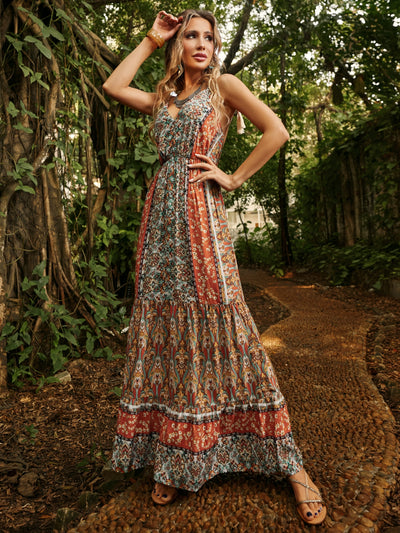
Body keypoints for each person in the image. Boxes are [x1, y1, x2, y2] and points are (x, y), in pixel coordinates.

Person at [102, 9, 327, 526]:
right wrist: (153, 39)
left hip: (201, 218)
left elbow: (277, 132)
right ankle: (178, 455)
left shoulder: (225, 86)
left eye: (208, 36)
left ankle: (290, 464)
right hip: (159, 222)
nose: (200, 44)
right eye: (191, 36)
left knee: (230, 328)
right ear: (180, 45)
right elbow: (115, 85)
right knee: (168, 332)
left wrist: (233, 178)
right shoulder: (163, 98)